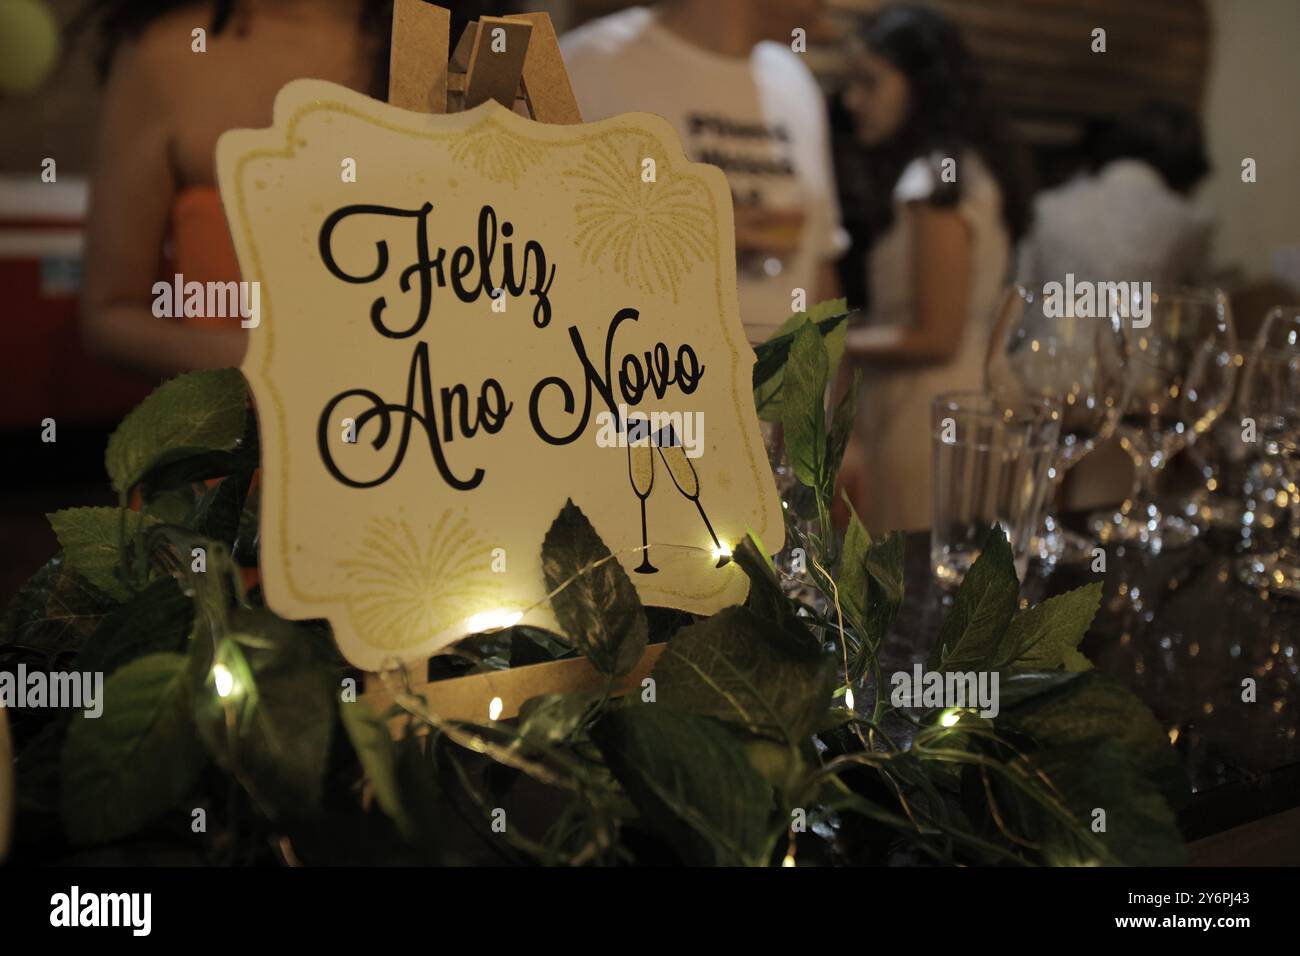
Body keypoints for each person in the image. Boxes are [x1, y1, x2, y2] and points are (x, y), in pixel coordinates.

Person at [79, 0, 502, 379]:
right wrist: (278, 367)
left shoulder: (456, 47)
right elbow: (110, 314)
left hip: (441, 437)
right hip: (247, 447)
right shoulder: (166, 54)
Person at [835, 3, 1027, 532]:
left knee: (913, 584)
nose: (853, 101)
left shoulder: (933, 182)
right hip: (965, 400)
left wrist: (826, 340)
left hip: (925, 412)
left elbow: (934, 336)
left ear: (921, 85)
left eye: (869, 83)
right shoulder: (966, 169)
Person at [560, 0, 848, 345]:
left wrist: (829, 390)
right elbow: (522, 250)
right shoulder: (586, 67)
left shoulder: (794, 81)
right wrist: (695, 234)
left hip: (777, 393)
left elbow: (819, 262)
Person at [1016, 102, 1213, 292]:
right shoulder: (1191, 223)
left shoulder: (1047, 205)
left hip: (1047, 324)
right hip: (1144, 326)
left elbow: (1021, 288)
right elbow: (1195, 303)